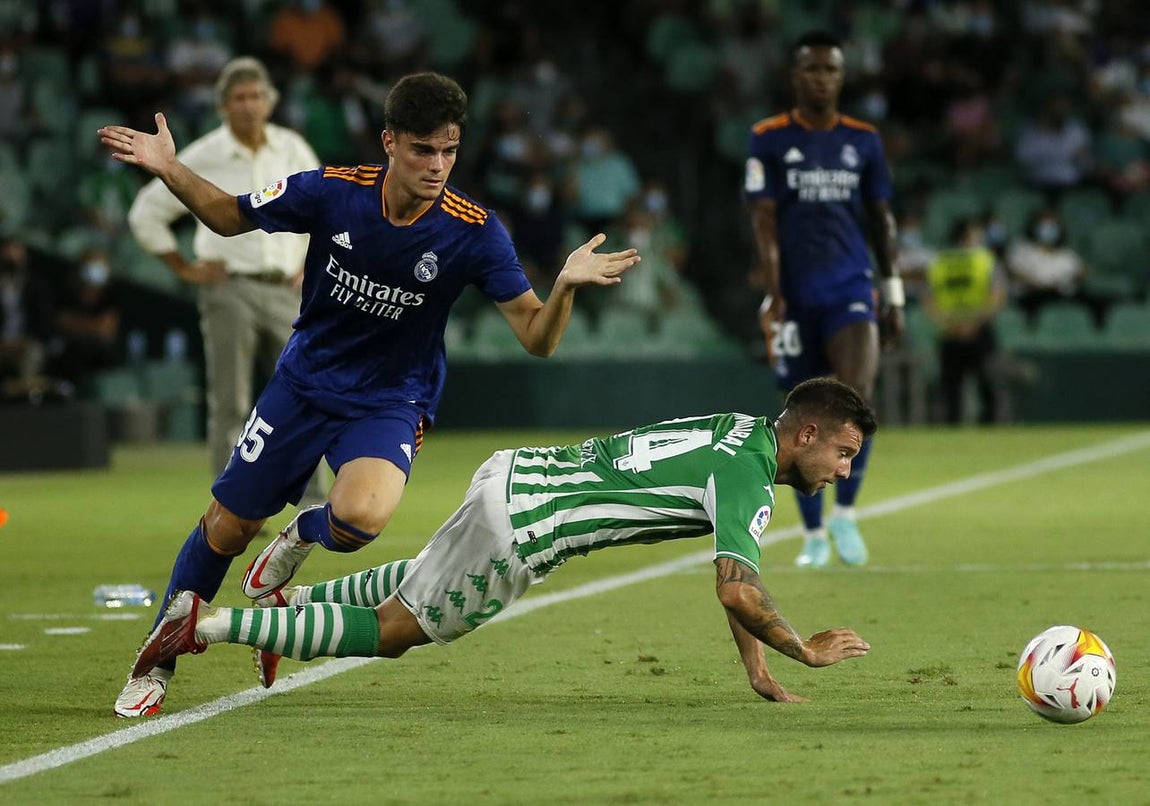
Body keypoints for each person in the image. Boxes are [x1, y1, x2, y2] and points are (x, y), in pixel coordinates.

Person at [99, 71, 640, 718]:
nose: (437, 165)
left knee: (360, 522)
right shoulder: (331, 192)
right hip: (303, 385)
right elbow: (226, 215)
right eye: (422, 149)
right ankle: (153, 665)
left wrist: (564, 289)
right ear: (389, 142)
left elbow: (536, 338)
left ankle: (298, 535)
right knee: (226, 527)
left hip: (392, 398)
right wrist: (168, 167)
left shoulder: (474, 231)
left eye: (449, 150)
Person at [130, 377, 875, 705]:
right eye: (842, 453)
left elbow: (731, 571)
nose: (842, 471)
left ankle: (292, 609)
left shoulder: (740, 433)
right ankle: (205, 623)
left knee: (422, 574)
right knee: (398, 632)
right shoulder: (749, 476)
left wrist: (753, 667)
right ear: (806, 434)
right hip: (526, 533)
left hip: (514, 475)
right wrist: (800, 650)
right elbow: (737, 586)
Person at [127, 56, 324, 499]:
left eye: (256, 96)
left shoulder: (291, 148)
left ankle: (311, 499)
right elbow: (146, 212)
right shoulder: (205, 154)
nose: (249, 106)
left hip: (286, 288)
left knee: (307, 393)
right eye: (239, 98)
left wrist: (307, 267)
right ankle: (232, 502)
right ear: (222, 106)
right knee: (230, 401)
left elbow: (323, 210)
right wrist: (185, 268)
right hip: (228, 286)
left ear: (270, 102)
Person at [744, 30, 903, 570]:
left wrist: (895, 290)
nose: (821, 78)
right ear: (796, 76)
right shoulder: (766, 137)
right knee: (801, 413)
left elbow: (881, 219)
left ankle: (846, 514)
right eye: (811, 69)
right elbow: (763, 220)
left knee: (857, 397)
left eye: (830, 69)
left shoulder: (863, 140)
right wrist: (774, 293)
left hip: (850, 286)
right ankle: (813, 530)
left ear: (842, 76)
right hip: (795, 294)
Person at [923, 218, 1007, 425]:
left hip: (950, 330)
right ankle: (990, 425)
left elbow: (928, 297)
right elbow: (998, 294)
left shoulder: (939, 261)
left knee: (952, 386)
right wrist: (975, 323)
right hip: (978, 329)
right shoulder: (986, 259)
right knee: (986, 382)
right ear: (968, 235)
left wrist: (949, 324)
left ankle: (953, 428)